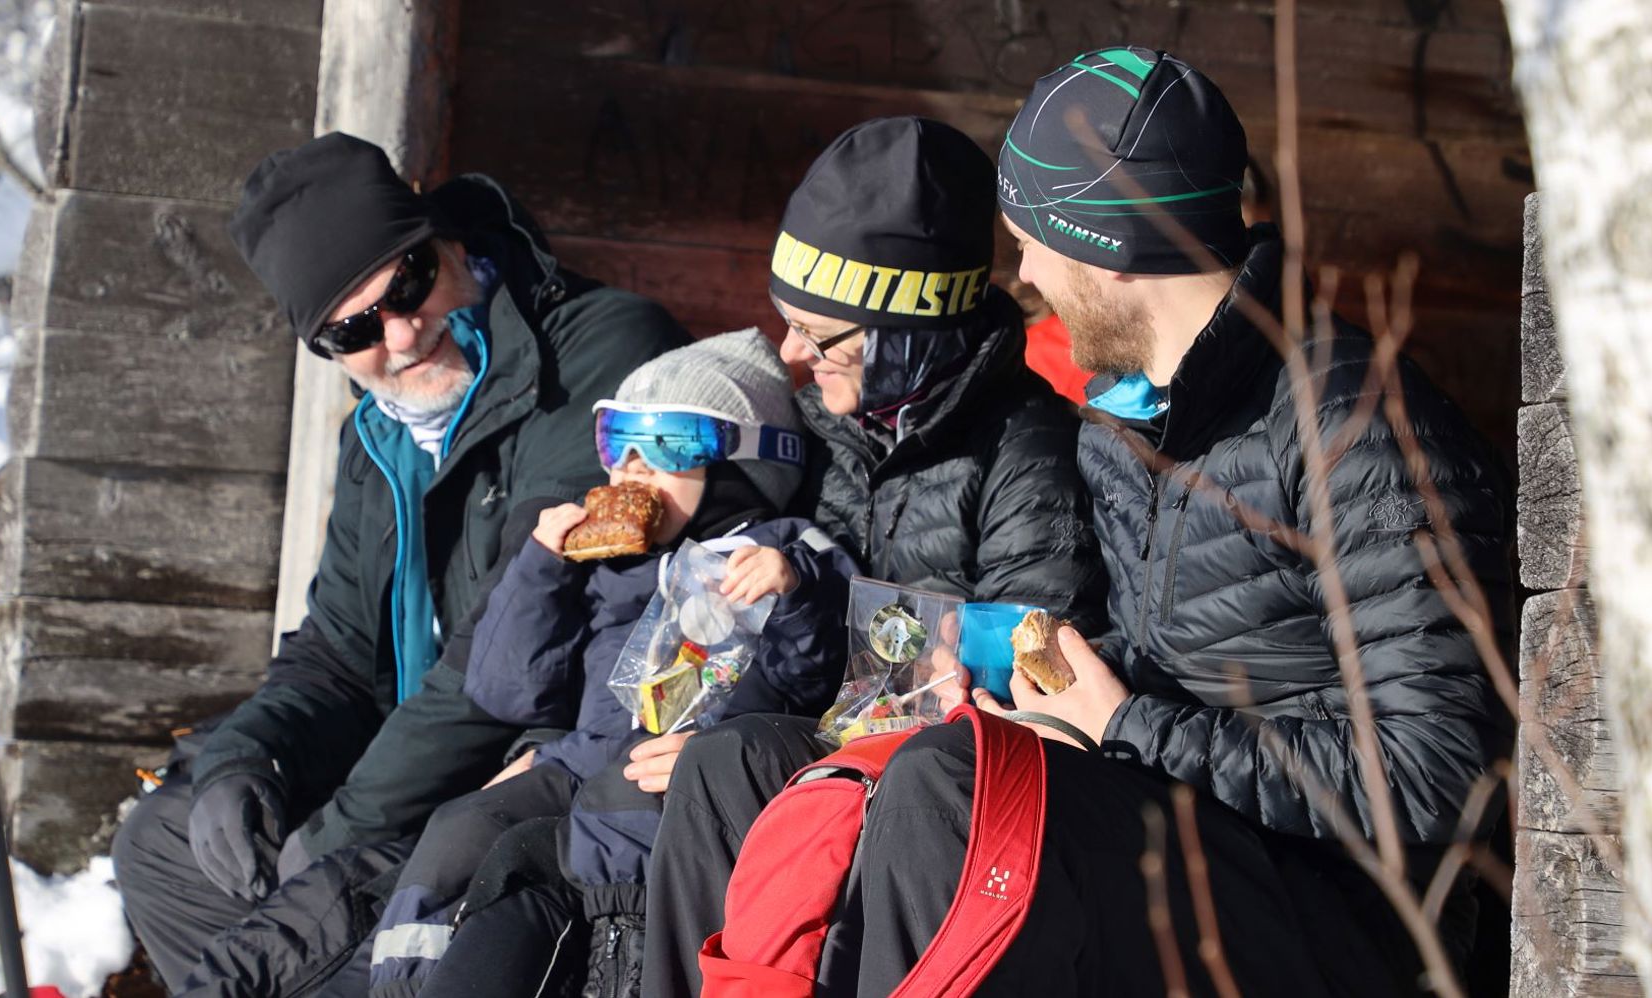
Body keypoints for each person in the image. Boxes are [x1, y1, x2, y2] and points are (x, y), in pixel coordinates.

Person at [839, 46, 1512, 994]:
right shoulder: (1127, 420)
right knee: (888, 771)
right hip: (1190, 830)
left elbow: (1438, 772)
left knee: (948, 786)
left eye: (1030, 237)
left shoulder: (1355, 429)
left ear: (1106, 251)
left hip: (1355, 914)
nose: (1021, 270)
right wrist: (1037, 693)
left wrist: (1126, 726)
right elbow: (1167, 658)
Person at [108, 132, 688, 995]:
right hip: (412, 782)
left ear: (447, 238)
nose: (405, 331)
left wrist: (336, 831)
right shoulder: (375, 439)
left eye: (410, 280)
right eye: (356, 328)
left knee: (318, 924)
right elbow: (339, 647)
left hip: (543, 762)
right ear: (327, 351)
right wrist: (247, 755)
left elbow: (504, 649)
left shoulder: (595, 359)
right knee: (167, 846)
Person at [635, 117, 1110, 998]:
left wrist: (954, 651)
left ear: (911, 331)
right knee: (720, 761)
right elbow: (816, 649)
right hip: (854, 738)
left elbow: (1046, 649)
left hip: (957, 762)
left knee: (887, 792)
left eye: (821, 335)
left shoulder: (1027, 445)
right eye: (789, 324)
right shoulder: (838, 432)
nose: (791, 355)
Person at [362, 331, 859, 997]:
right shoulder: (607, 561)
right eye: (615, 442)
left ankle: (609, 976)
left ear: (744, 462)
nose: (631, 467)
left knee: (613, 812)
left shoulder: (783, 550)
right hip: (582, 756)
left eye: (666, 445)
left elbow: (819, 678)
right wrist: (541, 567)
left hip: (684, 771)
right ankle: (404, 985)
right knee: (464, 823)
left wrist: (792, 587)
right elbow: (511, 690)